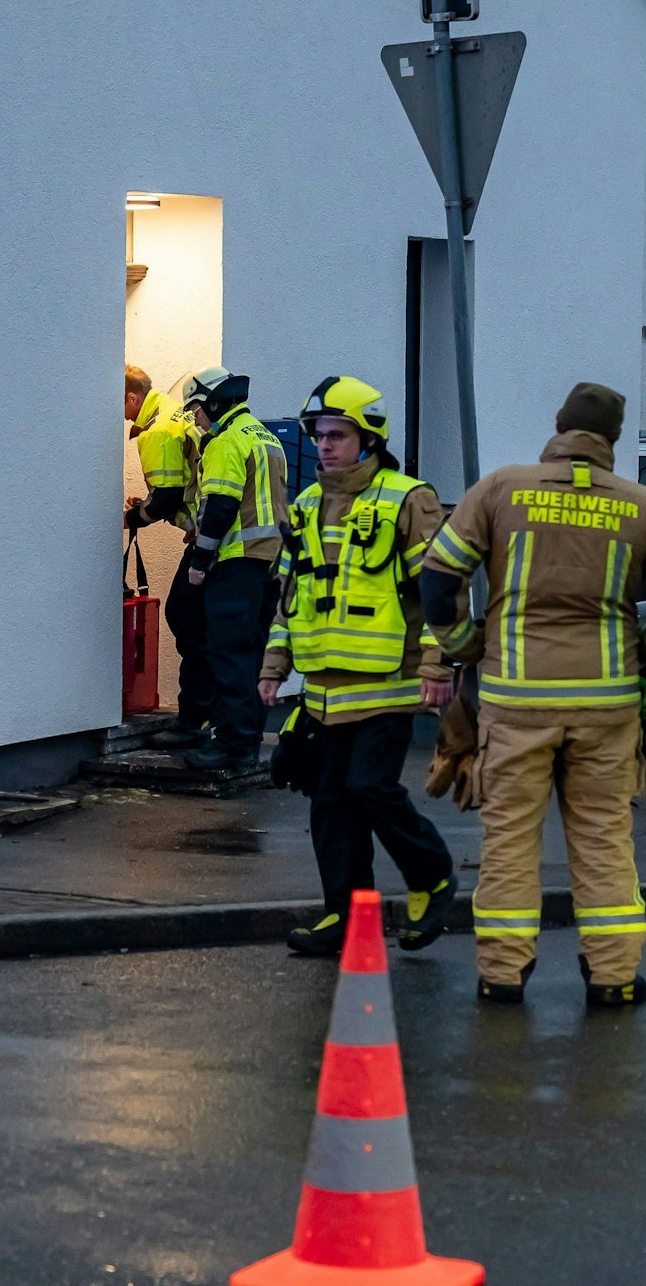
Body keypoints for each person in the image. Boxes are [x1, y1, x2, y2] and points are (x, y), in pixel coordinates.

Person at [419, 383, 646, 1006]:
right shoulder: (644, 506)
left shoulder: (501, 489)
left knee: (509, 842)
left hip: (514, 700)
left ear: (559, 429)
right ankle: (613, 978)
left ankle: (501, 975)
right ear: (612, 440)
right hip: (607, 707)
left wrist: (465, 645)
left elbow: (440, 574)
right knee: (605, 840)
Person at [258, 377, 457, 957]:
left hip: (389, 685)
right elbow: (291, 597)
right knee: (331, 804)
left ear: (370, 439)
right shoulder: (305, 506)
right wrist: (275, 666)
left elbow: (439, 591)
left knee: (368, 787)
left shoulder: (407, 499)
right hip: (322, 692)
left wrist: (437, 667)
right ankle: (344, 916)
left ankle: (431, 873)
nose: (324, 446)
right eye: (319, 435)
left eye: (337, 435)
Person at [177, 366, 288, 770]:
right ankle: (248, 734)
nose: (196, 420)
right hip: (269, 564)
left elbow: (220, 506)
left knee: (229, 653)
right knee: (253, 651)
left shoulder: (225, 441)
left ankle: (231, 744)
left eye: (196, 411)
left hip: (236, 563)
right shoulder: (264, 435)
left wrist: (199, 560)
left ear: (214, 403)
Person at [123, 365, 206, 747]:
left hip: (210, 539)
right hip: (215, 536)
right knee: (199, 623)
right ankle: (204, 716)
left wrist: (131, 518)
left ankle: (194, 720)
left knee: (184, 617)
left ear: (131, 398)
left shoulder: (156, 430)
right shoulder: (176, 412)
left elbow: (168, 497)